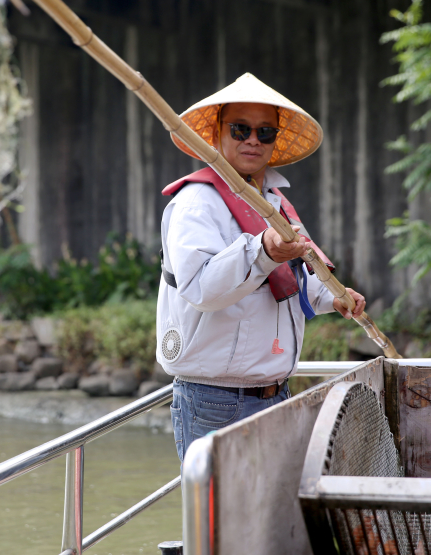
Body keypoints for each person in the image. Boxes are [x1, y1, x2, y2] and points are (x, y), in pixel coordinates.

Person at [156, 73, 366, 462]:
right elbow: (202, 289)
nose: (253, 140)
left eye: (265, 132)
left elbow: (299, 274)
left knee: (265, 520)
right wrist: (263, 250)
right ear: (217, 134)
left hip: (276, 393)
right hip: (215, 400)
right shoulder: (195, 203)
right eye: (240, 129)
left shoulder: (273, 201)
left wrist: (333, 297)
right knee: (221, 522)